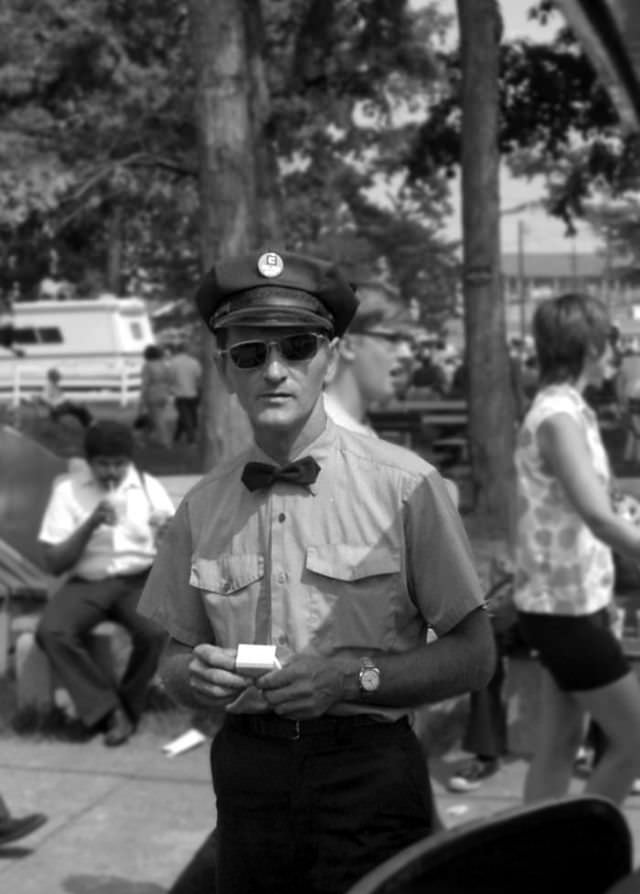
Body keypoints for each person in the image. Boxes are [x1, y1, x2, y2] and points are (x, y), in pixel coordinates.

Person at [138, 248, 495, 894]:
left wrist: (351, 677)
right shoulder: (201, 507)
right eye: (250, 354)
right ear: (224, 371)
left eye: (297, 347)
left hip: (370, 775)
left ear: (330, 358)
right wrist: (192, 676)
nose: (274, 370)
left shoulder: (407, 489)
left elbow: (476, 655)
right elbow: (172, 657)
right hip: (249, 775)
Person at [514, 292, 640, 806]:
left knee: (559, 744)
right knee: (635, 742)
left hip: (567, 602)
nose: (618, 350)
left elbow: (590, 504)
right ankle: (585, 856)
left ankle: (532, 858)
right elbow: (596, 517)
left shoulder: (569, 410)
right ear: (586, 345)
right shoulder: (557, 417)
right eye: (610, 339)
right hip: (563, 610)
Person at [36, 419, 175, 747]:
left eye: (119, 464)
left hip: (137, 579)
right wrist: (92, 523)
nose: (112, 472)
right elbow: (54, 563)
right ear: (89, 462)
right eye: (103, 464)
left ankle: (127, 705)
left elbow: (173, 545)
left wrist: (167, 535)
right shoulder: (68, 492)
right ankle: (107, 709)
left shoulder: (146, 486)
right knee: (52, 631)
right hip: (87, 581)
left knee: (156, 631)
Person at [138, 344, 173, 447]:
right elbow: (169, 379)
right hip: (164, 393)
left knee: (158, 419)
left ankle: (166, 441)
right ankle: (143, 439)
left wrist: (142, 397)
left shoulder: (148, 366)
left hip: (152, 394)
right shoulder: (164, 364)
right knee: (151, 417)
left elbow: (145, 383)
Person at [169, 343, 202, 445]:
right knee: (187, 415)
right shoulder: (194, 362)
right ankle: (177, 437)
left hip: (180, 394)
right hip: (193, 393)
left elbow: (170, 378)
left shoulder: (173, 362)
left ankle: (191, 439)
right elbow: (199, 377)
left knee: (186, 417)